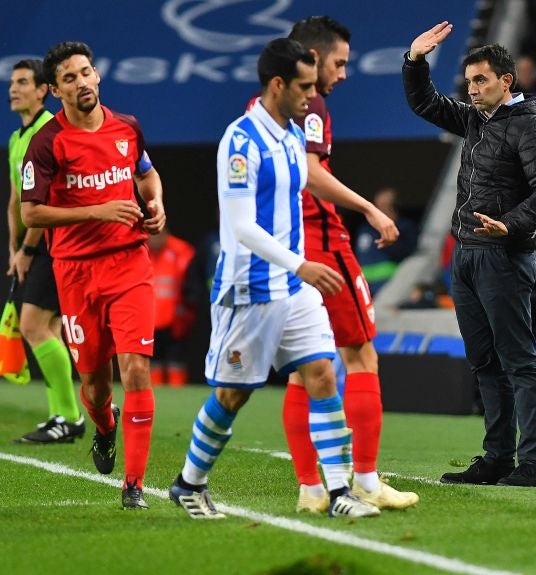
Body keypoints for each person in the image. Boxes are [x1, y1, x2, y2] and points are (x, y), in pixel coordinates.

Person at [168, 38, 379, 519]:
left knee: (323, 373)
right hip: (250, 288)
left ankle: (341, 492)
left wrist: (364, 209)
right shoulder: (240, 141)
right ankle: (189, 482)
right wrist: (300, 264)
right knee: (233, 394)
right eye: (303, 86)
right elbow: (241, 226)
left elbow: (302, 195)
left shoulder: (290, 137)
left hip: (292, 287)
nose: (312, 95)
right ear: (278, 84)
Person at [404, 23, 536, 487]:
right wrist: (415, 60)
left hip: (503, 255)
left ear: (506, 81)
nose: (472, 90)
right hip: (467, 255)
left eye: (482, 81)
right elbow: (424, 103)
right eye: (470, 81)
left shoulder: (528, 127)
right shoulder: (478, 118)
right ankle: (497, 457)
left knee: (518, 361)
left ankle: (531, 464)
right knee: (484, 362)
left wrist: (512, 223)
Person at [21, 42, 165, 508]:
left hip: (129, 263)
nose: (82, 82)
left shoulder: (127, 128)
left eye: (86, 72)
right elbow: (31, 214)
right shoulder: (46, 143)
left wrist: (156, 202)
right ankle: (104, 427)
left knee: (137, 368)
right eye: (70, 77)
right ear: (55, 89)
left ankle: (134, 485)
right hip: (77, 273)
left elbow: (147, 175)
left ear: (98, 76)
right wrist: (99, 209)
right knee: (96, 384)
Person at [285, 16, 418, 513]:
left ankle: (310, 488)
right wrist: (368, 207)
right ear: (314, 58)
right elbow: (312, 172)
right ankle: (365, 480)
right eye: (339, 63)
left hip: (286, 251)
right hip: (322, 242)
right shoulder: (311, 101)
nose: (343, 74)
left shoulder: (261, 105)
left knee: (303, 369)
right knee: (360, 357)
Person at [6, 59, 83, 444]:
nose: (13, 89)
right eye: (12, 83)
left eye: (23, 82)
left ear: (42, 90)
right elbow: (16, 200)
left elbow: (41, 204)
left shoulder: (46, 132)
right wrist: (12, 247)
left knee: (34, 326)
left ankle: (69, 417)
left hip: (54, 245)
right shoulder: (18, 138)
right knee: (49, 328)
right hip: (34, 248)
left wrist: (26, 249)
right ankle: (64, 415)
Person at [148, 227, 199, 386]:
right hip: (149, 320)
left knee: (176, 361)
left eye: (158, 235)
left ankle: (177, 397)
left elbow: (192, 285)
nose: (154, 240)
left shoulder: (182, 251)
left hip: (176, 319)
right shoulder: (141, 251)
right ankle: (155, 398)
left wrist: (186, 311)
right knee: (153, 362)